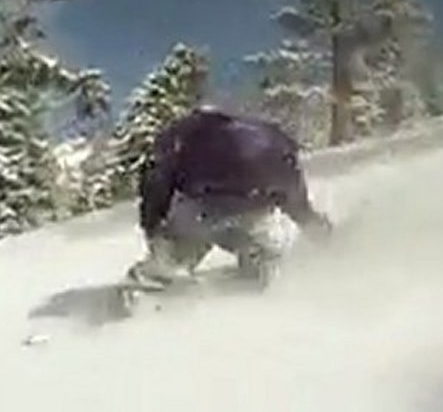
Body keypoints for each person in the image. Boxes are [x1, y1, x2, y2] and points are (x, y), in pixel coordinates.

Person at [130, 106, 333, 288]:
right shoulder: (263, 132)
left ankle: (166, 271)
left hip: (210, 195)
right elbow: (289, 181)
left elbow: (156, 180)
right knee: (244, 224)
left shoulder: (179, 135)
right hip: (259, 194)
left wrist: (153, 228)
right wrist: (312, 223)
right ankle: (260, 261)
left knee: (196, 226)